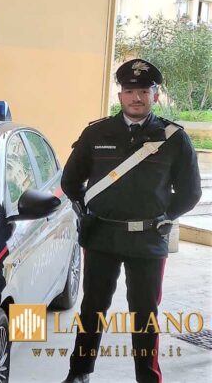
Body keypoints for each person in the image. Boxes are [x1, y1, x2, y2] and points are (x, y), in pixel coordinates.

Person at [60, 59, 202, 383]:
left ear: (155, 95)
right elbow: (70, 181)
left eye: (144, 91)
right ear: (120, 95)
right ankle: (79, 373)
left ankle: (147, 378)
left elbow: (191, 191)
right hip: (102, 236)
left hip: (148, 240)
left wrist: (164, 217)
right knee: (92, 309)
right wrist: (87, 209)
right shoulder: (96, 133)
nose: (136, 97)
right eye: (129, 91)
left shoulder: (173, 138)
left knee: (145, 315)